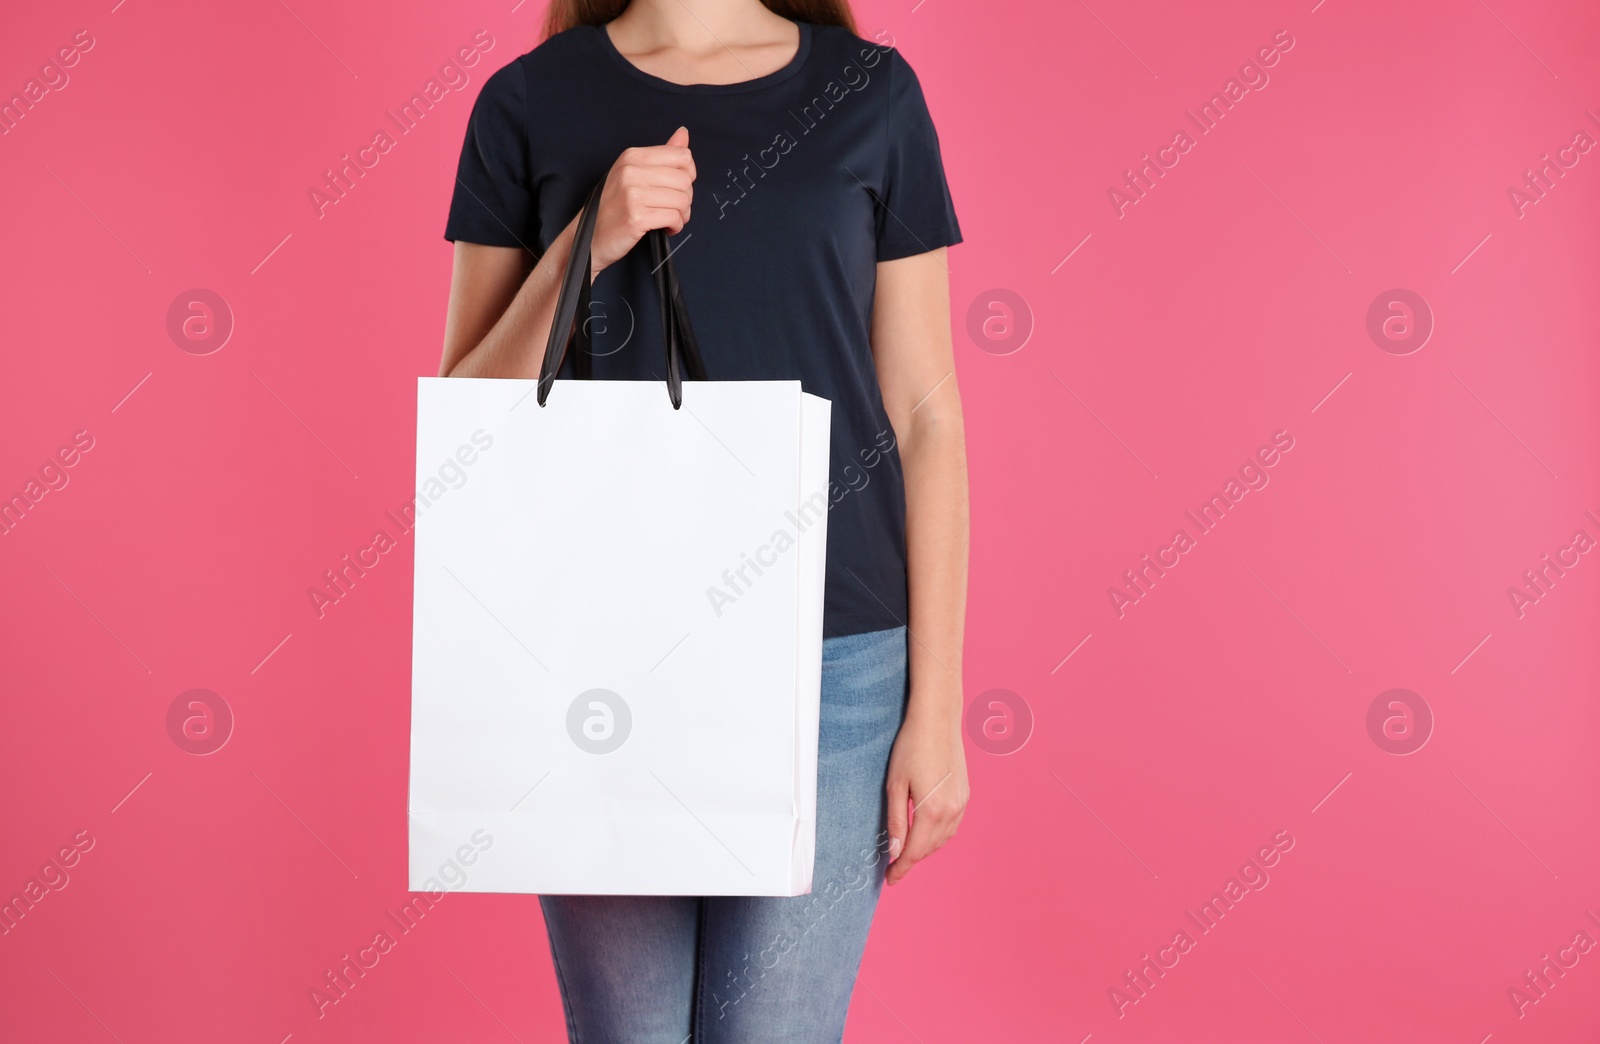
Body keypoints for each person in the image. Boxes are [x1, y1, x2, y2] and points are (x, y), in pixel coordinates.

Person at [437, 0, 969, 1038]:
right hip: (598, 663)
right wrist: (586, 240)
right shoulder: (530, 101)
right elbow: (467, 411)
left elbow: (925, 414)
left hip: (832, 657)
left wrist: (937, 708)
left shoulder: (872, 93)